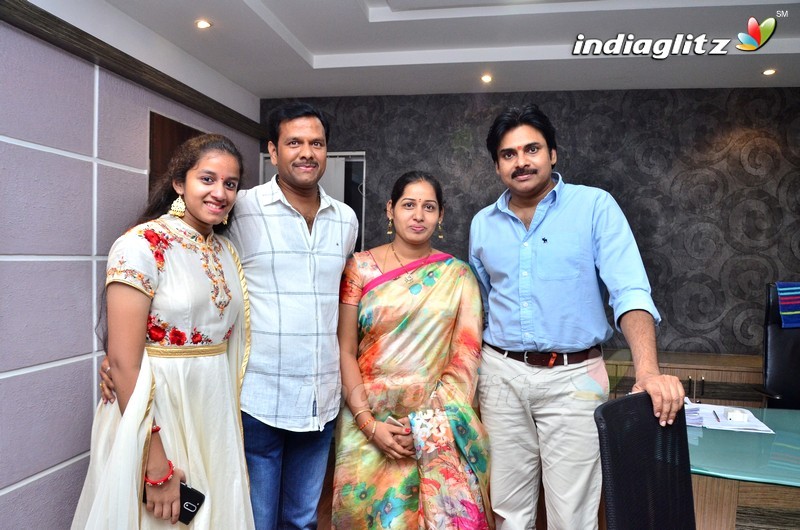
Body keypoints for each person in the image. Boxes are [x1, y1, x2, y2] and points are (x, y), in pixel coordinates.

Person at [469, 104, 685, 529]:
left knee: (574, 515)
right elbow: (482, 303)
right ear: (497, 166)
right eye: (509, 154)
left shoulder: (595, 207)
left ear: (553, 154)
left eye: (532, 149)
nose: (522, 161)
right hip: (500, 376)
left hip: (575, 378)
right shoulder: (482, 224)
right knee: (508, 510)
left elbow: (629, 290)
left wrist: (648, 372)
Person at [74, 134, 255, 528]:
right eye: (207, 179)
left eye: (230, 184)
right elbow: (123, 363)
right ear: (179, 182)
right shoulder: (140, 245)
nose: (219, 192)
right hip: (156, 411)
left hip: (212, 412)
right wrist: (154, 465)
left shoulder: (225, 251)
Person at [333, 171, 493, 529]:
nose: (418, 215)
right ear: (390, 210)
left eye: (429, 207)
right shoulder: (359, 268)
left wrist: (423, 426)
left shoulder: (459, 276)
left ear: (441, 216)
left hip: (438, 427)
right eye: (408, 205)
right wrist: (369, 423)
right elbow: (344, 351)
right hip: (367, 424)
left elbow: (466, 358)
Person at [225, 102, 359, 529]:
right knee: (257, 520)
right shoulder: (240, 208)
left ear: (326, 152)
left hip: (320, 396)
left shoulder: (346, 220)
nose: (306, 152)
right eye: (294, 142)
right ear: (273, 150)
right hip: (258, 396)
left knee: (302, 520)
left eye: (316, 143)